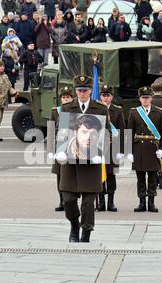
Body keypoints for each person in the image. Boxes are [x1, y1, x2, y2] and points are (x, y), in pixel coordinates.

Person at [57, 75, 110, 243]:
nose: (82, 93)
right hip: (71, 163)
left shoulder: (100, 109)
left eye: (85, 90)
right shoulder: (67, 108)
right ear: (75, 91)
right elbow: (62, 131)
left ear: (90, 91)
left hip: (90, 163)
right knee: (68, 199)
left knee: (88, 203)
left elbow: (105, 134)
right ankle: (74, 224)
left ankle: (86, 232)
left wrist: (100, 153)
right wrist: (60, 150)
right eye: (79, 90)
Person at [126, 86, 162, 212]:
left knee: (153, 177)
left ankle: (151, 202)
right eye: (143, 98)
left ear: (151, 98)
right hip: (139, 148)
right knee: (141, 178)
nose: (145, 100)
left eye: (147, 98)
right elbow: (129, 132)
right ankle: (142, 202)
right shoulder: (134, 112)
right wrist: (128, 151)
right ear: (139, 99)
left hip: (153, 148)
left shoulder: (159, 112)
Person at [96, 84, 125, 212]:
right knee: (99, 175)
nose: (106, 98)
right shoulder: (96, 109)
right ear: (100, 96)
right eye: (103, 95)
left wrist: (122, 150)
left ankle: (111, 202)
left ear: (112, 97)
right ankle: (101, 202)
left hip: (112, 147)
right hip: (98, 147)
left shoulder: (117, 110)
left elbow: (122, 131)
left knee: (111, 175)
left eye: (108, 95)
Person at [47, 86, 74, 212]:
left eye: (68, 97)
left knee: (72, 175)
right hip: (60, 148)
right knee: (59, 176)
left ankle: (71, 200)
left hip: (73, 148)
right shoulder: (55, 111)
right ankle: (62, 201)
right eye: (63, 97)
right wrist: (51, 151)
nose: (65, 99)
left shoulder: (75, 111)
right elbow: (51, 132)